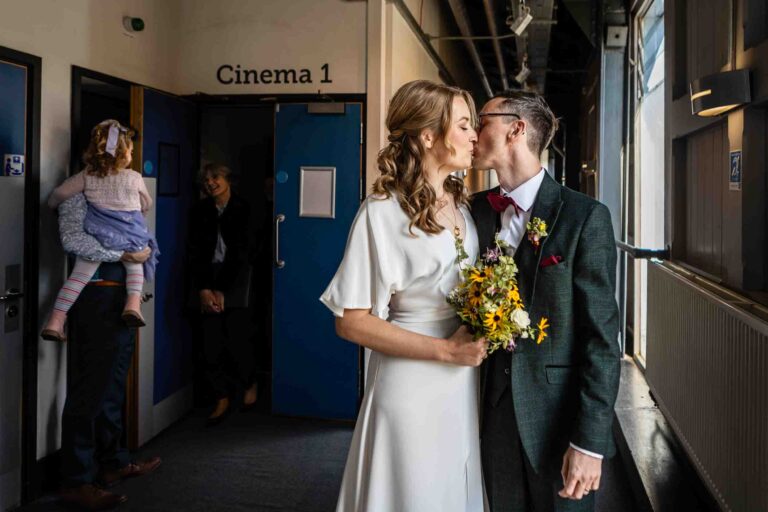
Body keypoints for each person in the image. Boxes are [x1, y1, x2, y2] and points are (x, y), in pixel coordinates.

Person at [320, 80, 489, 511]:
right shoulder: (381, 211)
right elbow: (350, 320)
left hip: (460, 380)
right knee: (412, 491)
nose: (476, 135)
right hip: (412, 383)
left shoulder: (462, 203)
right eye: (466, 125)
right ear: (428, 135)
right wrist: (445, 351)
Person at [470, 90, 621, 512]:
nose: (473, 132)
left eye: (482, 121)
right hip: (491, 414)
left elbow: (602, 340)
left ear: (516, 128)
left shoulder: (584, 216)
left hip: (558, 420)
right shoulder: (474, 212)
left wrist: (590, 442)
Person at [54, 194, 161, 511]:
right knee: (89, 390)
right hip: (95, 300)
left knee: (114, 387)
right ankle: (77, 480)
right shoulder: (76, 194)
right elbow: (72, 240)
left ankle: (113, 461)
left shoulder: (125, 191)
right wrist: (127, 253)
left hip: (121, 302)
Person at [41, 119, 157, 342]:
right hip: (130, 231)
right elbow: (146, 203)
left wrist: (54, 207)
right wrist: (139, 216)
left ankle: (55, 321)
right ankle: (133, 304)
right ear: (124, 154)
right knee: (135, 266)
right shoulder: (134, 177)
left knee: (77, 278)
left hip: (100, 232)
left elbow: (57, 195)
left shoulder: (87, 176)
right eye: (131, 150)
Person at [188, 163, 258, 424]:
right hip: (208, 278)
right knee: (210, 343)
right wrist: (205, 289)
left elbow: (243, 252)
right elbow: (195, 253)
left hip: (237, 280)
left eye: (215, 177)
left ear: (228, 179)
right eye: (205, 180)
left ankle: (249, 384)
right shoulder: (199, 211)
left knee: (239, 339)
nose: (210, 183)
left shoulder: (244, 209)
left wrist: (223, 289)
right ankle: (221, 397)